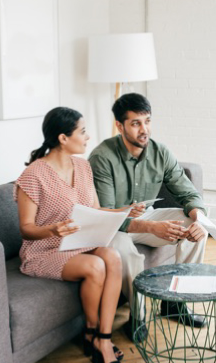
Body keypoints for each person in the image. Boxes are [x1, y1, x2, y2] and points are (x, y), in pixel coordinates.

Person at [14, 107, 144, 363]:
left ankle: (103, 338)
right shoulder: (33, 176)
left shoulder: (83, 167)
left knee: (112, 257)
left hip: (80, 242)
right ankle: (91, 333)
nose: (87, 137)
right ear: (63, 138)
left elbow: (94, 210)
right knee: (96, 266)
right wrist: (52, 230)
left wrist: (124, 211)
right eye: (82, 132)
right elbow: (26, 229)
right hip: (44, 249)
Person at [88, 93, 208, 342]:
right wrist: (153, 228)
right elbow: (107, 215)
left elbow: (187, 192)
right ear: (120, 126)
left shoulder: (160, 152)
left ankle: (175, 303)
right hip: (113, 227)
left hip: (147, 217)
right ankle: (137, 316)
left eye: (147, 121)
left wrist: (198, 218)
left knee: (197, 230)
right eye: (136, 123)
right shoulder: (102, 158)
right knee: (126, 252)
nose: (144, 130)